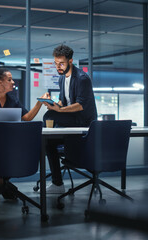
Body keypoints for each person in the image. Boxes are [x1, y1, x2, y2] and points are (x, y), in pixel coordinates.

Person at [0, 66, 48, 199]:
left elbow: (27, 118)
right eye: (9, 79)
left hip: (8, 143)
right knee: (5, 154)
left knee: (17, 153)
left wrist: (40, 103)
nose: (13, 82)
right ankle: (1, 183)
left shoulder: (12, 99)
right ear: (0, 82)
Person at [41, 44, 97, 194]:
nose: (58, 66)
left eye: (61, 63)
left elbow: (80, 105)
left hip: (83, 122)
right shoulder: (61, 78)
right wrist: (54, 104)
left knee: (49, 116)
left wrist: (58, 110)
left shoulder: (82, 78)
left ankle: (50, 134)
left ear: (70, 61)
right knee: (48, 143)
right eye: (56, 63)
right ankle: (58, 184)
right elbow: (62, 102)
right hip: (70, 119)